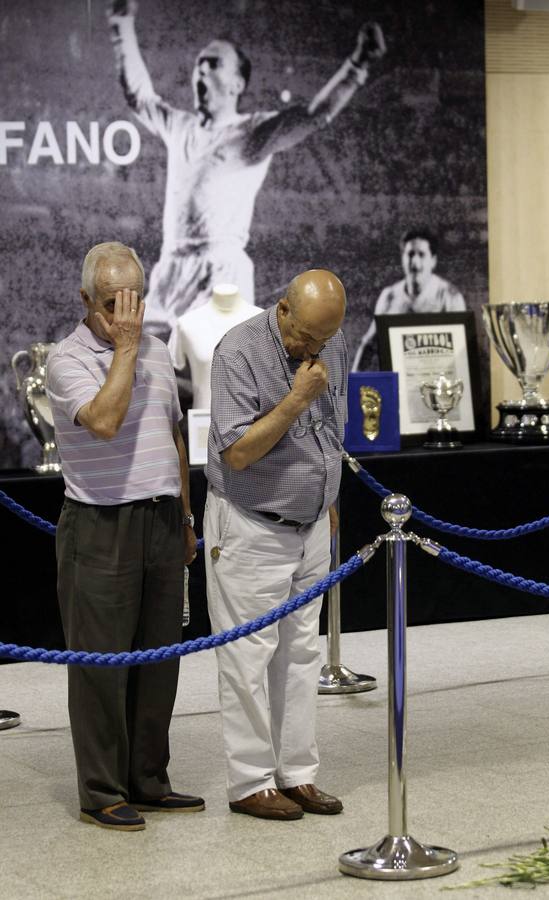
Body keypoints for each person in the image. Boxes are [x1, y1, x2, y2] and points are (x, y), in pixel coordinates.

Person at [108, 1, 386, 337]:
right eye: (198, 64)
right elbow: (138, 96)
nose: (201, 70)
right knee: (141, 360)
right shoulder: (179, 126)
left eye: (213, 63)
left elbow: (313, 115)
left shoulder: (252, 132)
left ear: (237, 84)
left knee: (215, 364)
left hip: (220, 271)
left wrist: (357, 65)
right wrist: (121, 24)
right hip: (170, 268)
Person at [46, 241, 203, 831]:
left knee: (159, 659)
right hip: (100, 524)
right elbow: (106, 421)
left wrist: (185, 518)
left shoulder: (158, 352)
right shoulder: (67, 358)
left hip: (162, 521)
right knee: (100, 666)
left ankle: (149, 779)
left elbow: (173, 434)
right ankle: (102, 790)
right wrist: (127, 350)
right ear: (86, 299)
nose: (127, 315)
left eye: (136, 300)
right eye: (114, 303)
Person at [204, 268, 347, 820]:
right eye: (306, 337)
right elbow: (238, 452)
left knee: (302, 654)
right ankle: (250, 782)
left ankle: (297, 774)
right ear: (283, 309)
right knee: (247, 657)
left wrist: (327, 495)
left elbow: (330, 428)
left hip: (310, 526)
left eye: (324, 340)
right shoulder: (238, 351)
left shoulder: (328, 338)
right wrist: (296, 399)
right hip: (251, 524)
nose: (314, 349)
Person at [352, 228, 466, 370]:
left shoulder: (449, 297)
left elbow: (461, 351)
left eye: (422, 255)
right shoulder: (389, 297)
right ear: (402, 258)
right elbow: (369, 345)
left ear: (433, 261)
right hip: (399, 378)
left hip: (438, 378)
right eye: (410, 254)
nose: (415, 262)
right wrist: (353, 379)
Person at [168, 282, 261, 409]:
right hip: (203, 418)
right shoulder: (186, 324)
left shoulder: (264, 323)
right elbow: (174, 370)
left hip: (253, 419)